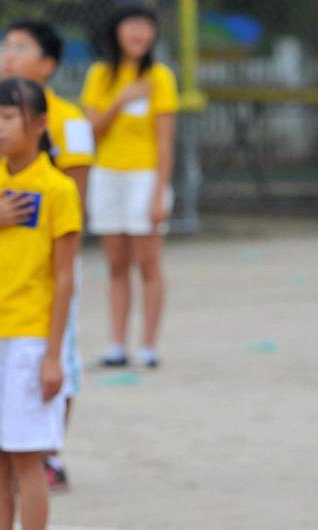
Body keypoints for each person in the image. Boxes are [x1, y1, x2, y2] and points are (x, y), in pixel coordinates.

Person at [0, 19, 92, 490]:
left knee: (57, 365)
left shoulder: (71, 119)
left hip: (50, 262)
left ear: (48, 64)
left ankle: (48, 451)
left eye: (21, 47)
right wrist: (2, 170)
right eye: (4, 45)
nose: (7, 54)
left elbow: (78, 186)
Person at [81, 2, 179, 368]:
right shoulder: (100, 75)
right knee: (116, 264)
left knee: (148, 263)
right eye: (131, 25)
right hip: (107, 176)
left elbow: (165, 141)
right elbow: (92, 131)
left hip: (145, 177)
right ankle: (117, 345)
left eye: (146, 26)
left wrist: (158, 193)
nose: (139, 33)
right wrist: (119, 101)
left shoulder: (160, 77)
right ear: (116, 30)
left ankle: (149, 346)